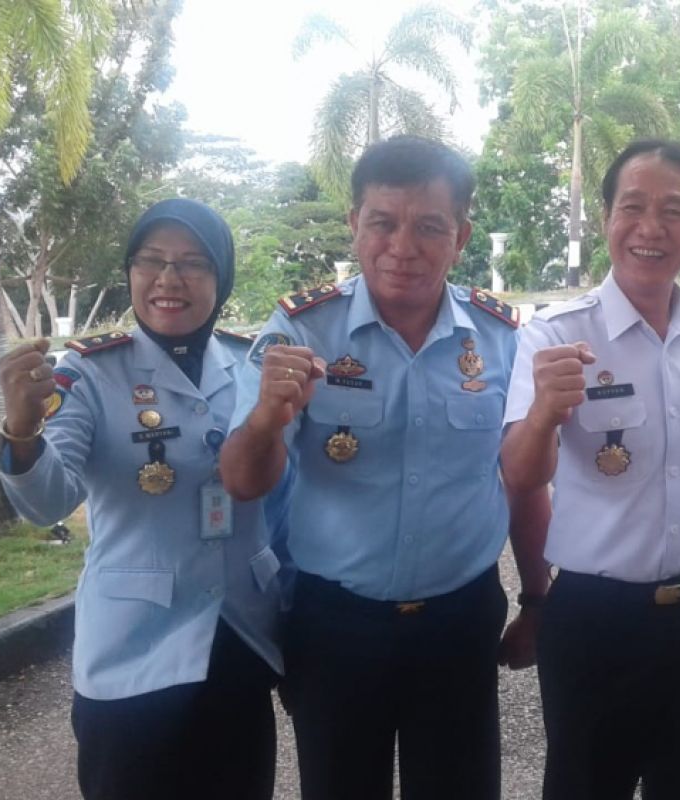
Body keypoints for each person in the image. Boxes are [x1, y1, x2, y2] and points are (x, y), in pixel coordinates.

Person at [219, 135, 549, 800]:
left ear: (460, 236)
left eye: (429, 226)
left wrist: (538, 597)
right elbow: (243, 480)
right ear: (354, 226)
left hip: (458, 622)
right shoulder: (301, 332)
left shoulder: (502, 338)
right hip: (335, 625)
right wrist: (265, 419)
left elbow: (520, 480)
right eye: (383, 223)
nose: (403, 246)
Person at [501, 139, 680, 800]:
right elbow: (520, 474)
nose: (650, 228)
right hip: (595, 617)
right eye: (632, 206)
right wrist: (545, 410)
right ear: (606, 217)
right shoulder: (552, 336)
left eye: (674, 211)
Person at [0, 199, 287, 800]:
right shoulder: (92, 373)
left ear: (221, 276)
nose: (168, 279)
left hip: (239, 637)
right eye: (150, 261)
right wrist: (22, 432)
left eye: (192, 263)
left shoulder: (251, 364)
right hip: (134, 649)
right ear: (129, 272)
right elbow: (49, 502)